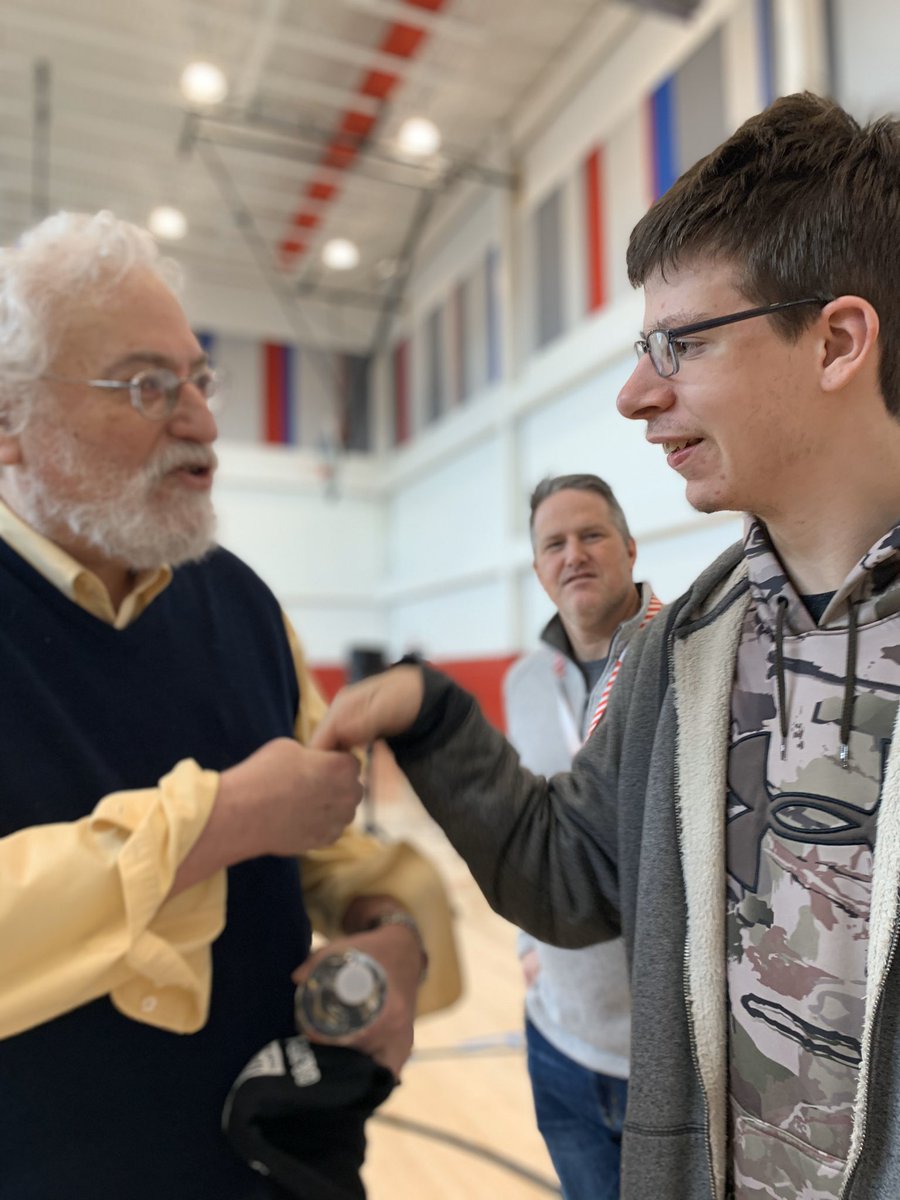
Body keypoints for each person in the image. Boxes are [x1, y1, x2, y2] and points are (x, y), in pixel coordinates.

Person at [313, 92, 900, 1200]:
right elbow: (576, 871)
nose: (637, 394)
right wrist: (436, 720)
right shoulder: (689, 650)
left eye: (679, 343)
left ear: (836, 340)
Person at [0, 210, 460, 1200]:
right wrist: (214, 822)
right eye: (145, 386)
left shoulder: (243, 603)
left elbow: (325, 843)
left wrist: (395, 932)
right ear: (10, 426)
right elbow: (253, 812)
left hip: (273, 1168)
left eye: (199, 380)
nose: (203, 422)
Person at [503, 474, 661, 1200]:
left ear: (629, 547)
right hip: (559, 1038)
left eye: (591, 535)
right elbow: (523, 827)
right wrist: (529, 945)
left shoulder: (687, 659)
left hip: (670, 1057)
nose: (574, 555)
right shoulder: (523, 684)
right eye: (553, 543)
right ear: (538, 569)